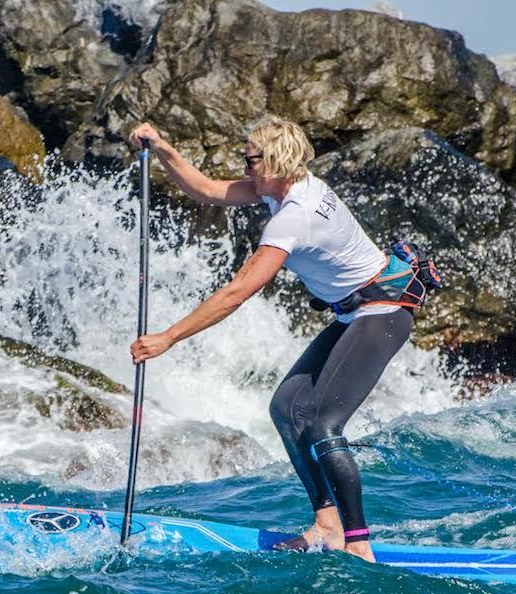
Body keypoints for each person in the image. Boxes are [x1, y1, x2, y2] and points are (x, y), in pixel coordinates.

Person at [128, 116, 419, 563]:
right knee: (286, 407)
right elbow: (206, 188)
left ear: (276, 161)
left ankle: (359, 544)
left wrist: (168, 338)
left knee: (323, 424)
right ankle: (326, 524)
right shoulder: (282, 191)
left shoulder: (294, 217)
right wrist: (162, 147)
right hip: (354, 313)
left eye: (249, 159)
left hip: (384, 312)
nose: (244, 166)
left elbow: (238, 292)